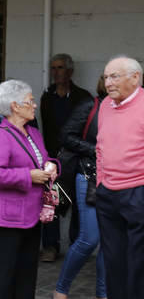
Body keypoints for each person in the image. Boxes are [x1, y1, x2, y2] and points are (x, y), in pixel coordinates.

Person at [0, 79, 58, 299]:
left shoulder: (33, 133)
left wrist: (51, 166)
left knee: (27, 272)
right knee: (3, 274)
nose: (34, 105)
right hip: (6, 216)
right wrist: (29, 176)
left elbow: (43, 158)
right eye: (30, 101)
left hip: (31, 212)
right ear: (14, 106)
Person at [92, 56, 144, 299]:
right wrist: (101, 181)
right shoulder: (104, 107)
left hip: (138, 191)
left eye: (115, 77)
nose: (108, 82)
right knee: (114, 261)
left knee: (139, 264)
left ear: (135, 78)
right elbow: (100, 145)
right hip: (108, 193)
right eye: (106, 76)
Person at [52, 76, 107, 299]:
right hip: (89, 176)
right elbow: (66, 136)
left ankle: (102, 295)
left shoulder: (131, 110)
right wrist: (96, 151)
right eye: (110, 77)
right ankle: (61, 290)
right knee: (89, 238)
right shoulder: (90, 106)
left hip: (117, 179)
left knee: (109, 240)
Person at [39, 54, 91, 262]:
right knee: (51, 201)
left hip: (77, 158)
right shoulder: (47, 96)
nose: (56, 72)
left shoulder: (83, 97)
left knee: (78, 204)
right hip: (54, 158)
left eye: (60, 68)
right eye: (53, 68)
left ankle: (76, 247)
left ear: (70, 71)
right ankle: (50, 247)